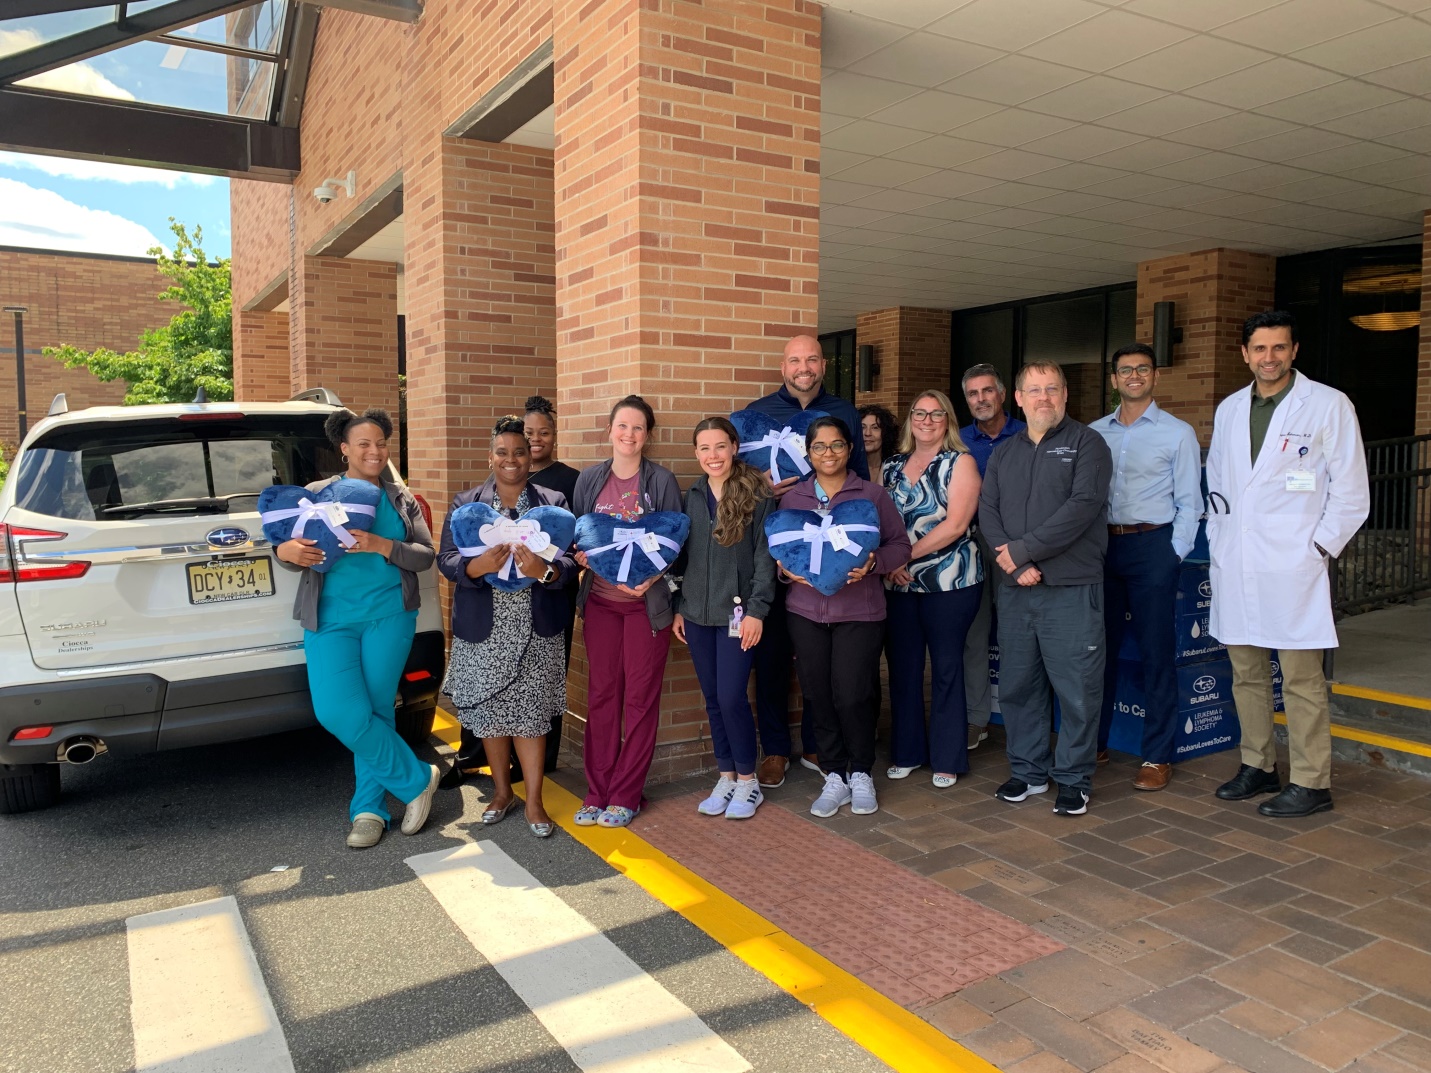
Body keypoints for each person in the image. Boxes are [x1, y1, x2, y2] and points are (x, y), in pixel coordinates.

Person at [1206, 311, 1369, 818]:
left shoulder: (1326, 405)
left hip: (1294, 562)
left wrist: (1317, 547)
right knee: (1246, 673)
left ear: (1294, 350)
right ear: (1245, 353)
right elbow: (1217, 484)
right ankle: (1258, 765)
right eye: (1260, 349)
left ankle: (1311, 781)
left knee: (1300, 678)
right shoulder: (1231, 408)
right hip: (1237, 559)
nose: (1269, 358)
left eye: (1279, 348)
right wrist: (1218, 539)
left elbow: (1351, 490)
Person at [274, 407, 440, 850]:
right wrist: (288, 551)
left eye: (381, 443)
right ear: (344, 449)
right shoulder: (315, 495)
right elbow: (288, 550)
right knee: (337, 711)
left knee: (377, 709)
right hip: (329, 619)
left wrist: (382, 545)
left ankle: (368, 810)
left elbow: (425, 555)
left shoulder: (400, 498)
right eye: (363, 444)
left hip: (388, 616)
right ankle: (417, 779)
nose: (374, 451)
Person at [980, 363, 1112, 817]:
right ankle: (1029, 771)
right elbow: (988, 511)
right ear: (1016, 398)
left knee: (1076, 689)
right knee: (1019, 685)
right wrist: (1013, 565)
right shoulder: (1004, 452)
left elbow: (1081, 509)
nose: (1043, 398)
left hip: (1071, 589)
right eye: (1033, 390)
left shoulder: (1088, 444)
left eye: (1051, 389)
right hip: (1017, 590)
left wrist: (1022, 553)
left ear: (1065, 394)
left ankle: (1073, 779)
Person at [436, 417, 574, 837]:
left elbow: (569, 562)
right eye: (503, 452)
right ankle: (501, 793)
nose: (511, 459)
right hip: (485, 629)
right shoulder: (466, 504)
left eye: (520, 451)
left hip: (535, 628)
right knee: (493, 717)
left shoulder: (553, 502)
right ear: (490, 456)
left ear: (531, 455)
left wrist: (545, 570)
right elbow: (446, 559)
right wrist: (475, 566)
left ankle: (534, 802)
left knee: (530, 717)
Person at [746, 334, 869, 786]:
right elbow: (737, 482)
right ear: (783, 366)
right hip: (774, 553)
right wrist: (758, 484)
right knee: (773, 655)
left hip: (830, 553)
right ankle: (775, 749)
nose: (804, 367)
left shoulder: (843, 411)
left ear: (823, 365)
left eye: (812, 359)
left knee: (825, 655)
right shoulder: (757, 415)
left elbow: (862, 480)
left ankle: (819, 743)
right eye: (795, 360)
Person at [779, 416, 910, 819]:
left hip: (861, 612)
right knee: (818, 694)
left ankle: (861, 773)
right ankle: (834, 775)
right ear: (809, 452)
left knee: (853, 694)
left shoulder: (871, 495)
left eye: (837, 445)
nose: (828, 453)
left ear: (849, 449)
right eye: (819, 446)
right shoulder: (793, 499)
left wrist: (874, 564)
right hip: (805, 612)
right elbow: (780, 549)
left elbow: (899, 546)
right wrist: (784, 571)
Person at [1092, 344, 1202, 791]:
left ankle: (1157, 756)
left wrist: (1173, 552)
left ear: (1155, 376)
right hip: (1102, 548)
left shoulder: (1178, 433)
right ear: (1114, 379)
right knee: (1098, 650)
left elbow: (1190, 502)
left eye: (1142, 369)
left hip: (1153, 546)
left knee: (1157, 653)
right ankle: (1093, 743)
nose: (1133, 376)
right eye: (1125, 370)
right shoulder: (1094, 433)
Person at [571, 395, 683, 828]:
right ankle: (596, 791)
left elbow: (677, 542)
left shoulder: (662, 481)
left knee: (639, 699)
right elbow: (580, 537)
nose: (629, 435)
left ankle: (626, 794)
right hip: (600, 604)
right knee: (601, 696)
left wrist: (654, 578)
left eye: (638, 428)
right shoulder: (590, 480)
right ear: (610, 430)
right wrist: (582, 558)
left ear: (648, 436)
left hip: (645, 609)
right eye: (622, 426)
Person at [672, 417, 777, 820]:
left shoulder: (757, 493)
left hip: (738, 615)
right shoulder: (693, 494)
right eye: (704, 448)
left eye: (719, 446)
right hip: (697, 615)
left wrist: (756, 611)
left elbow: (766, 558)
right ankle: (727, 775)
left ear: (734, 446)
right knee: (714, 699)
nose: (712, 455)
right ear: (696, 453)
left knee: (733, 697)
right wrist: (681, 605)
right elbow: (685, 556)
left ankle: (749, 781)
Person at [883, 391, 984, 789]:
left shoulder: (961, 462)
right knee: (904, 669)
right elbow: (876, 519)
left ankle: (947, 757)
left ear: (948, 420)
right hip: (898, 584)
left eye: (936, 414)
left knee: (945, 667)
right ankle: (907, 752)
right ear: (910, 419)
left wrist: (903, 558)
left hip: (950, 580)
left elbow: (957, 525)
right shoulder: (891, 466)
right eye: (919, 413)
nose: (926, 420)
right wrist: (889, 563)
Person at [958, 364, 1026, 753]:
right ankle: (976, 719)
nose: (981, 399)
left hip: (1018, 546)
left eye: (987, 391)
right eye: (972, 394)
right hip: (970, 542)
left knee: (1019, 635)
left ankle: (1024, 721)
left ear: (1002, 395)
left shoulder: (1028, 434)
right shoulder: (959, 441)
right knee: (974, 634)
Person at [524, 393, 579, 772]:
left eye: (544, 432)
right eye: (528, 433)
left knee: (548, 677)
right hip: (509, 595)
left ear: (554, 436)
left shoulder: (570, 481)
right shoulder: (505, 478)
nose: (535, 439)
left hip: (554, 592)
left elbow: (575, 541)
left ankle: (546, 760)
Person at [859, 404, 899, 477]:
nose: (868, 433)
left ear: (886, 433)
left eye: (875, 428)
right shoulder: (848, 469)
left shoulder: (896, 467)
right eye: (862, 427)